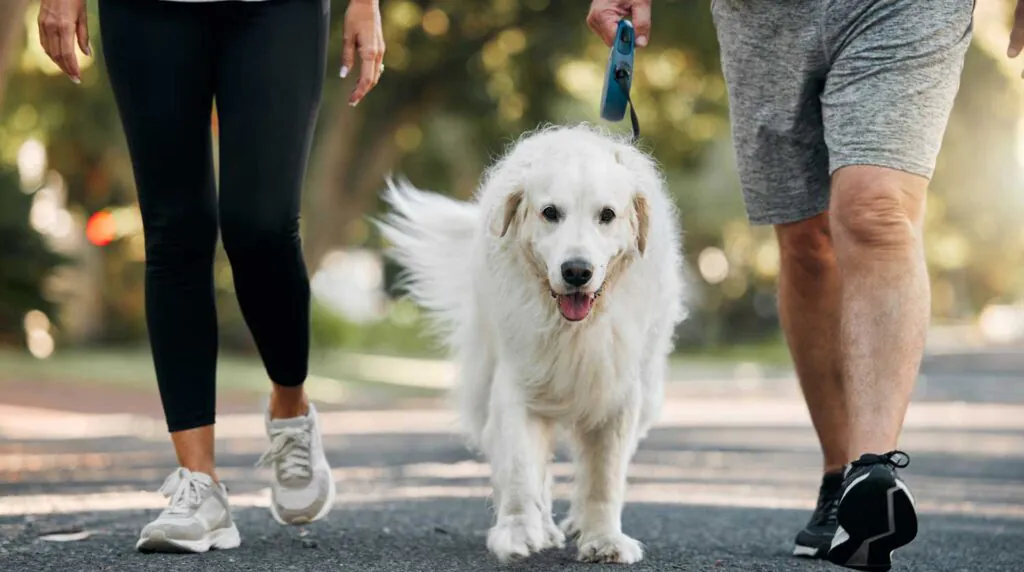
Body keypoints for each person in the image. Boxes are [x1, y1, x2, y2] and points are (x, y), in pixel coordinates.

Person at [588, 0, 1023, 570]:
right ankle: (839, 476)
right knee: (805, 241)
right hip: (762, 17)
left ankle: (873, 470)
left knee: (875, 210)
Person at [37, 0, 386, 553]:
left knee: (262, 225)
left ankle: (289, 410)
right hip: (148, 15)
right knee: (175, 228)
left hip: (279, 11)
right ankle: (200, 487)